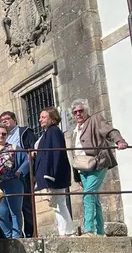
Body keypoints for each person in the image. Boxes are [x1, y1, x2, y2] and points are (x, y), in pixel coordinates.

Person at [65, 98, 128, 236]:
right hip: (82, 168)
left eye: (81, 111)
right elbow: (75, 154)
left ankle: (89, 230)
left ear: (86, 111)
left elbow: (110, 131)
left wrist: (119, 140)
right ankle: (99, 232)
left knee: (88, 195)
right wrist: (76, 176)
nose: (78, 114)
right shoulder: (74, 131)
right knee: (95, 199)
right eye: (75, 112)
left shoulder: (95, 119)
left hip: (98, 163)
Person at [34, 107, 74, 237]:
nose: (40, 120)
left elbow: (55, 154)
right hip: (51, 175)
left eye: (43, 117)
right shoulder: (48, 132)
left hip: (53, 175)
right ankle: (65, 231)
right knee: (57, 204)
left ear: (52, 118)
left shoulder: (54, 132)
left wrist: (50, 174)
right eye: (40, 117)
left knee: (58, 204)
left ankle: (65, 232)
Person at [0, 111, 37, 237]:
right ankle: (15, 234)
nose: (4, 121)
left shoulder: (24, 132)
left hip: (22, 175)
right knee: (8, 209)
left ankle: (31, 233)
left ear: (15, 120)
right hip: (5, 179)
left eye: (7, 118)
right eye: (2, 120)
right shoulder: (3, 139)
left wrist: (25, 170)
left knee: (26, 205)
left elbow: (33, 151)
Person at [0, 124, 30, 238]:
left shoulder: (14, 147)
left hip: (13, 182)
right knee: (0, 213)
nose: (1, 136)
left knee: (15, 211)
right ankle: (8, 236)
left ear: (7, 135)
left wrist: (20, 171)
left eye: (4, 134)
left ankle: (16, 236)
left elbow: (27, 160)